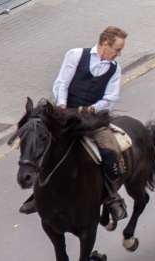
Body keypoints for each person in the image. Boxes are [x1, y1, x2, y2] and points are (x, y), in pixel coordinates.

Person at [19, 27, 129, 221]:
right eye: (117, 49)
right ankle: (37, 194)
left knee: (110, 150)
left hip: (92, 119)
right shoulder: (76, 55)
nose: (119, 54)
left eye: (120, 50)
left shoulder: (114, 69)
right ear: (105, 43)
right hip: (64, 112)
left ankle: (112, 196)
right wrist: (61, 106)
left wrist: (93, 108)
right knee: (41, 144)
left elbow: (111, 98)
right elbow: (62, 82)